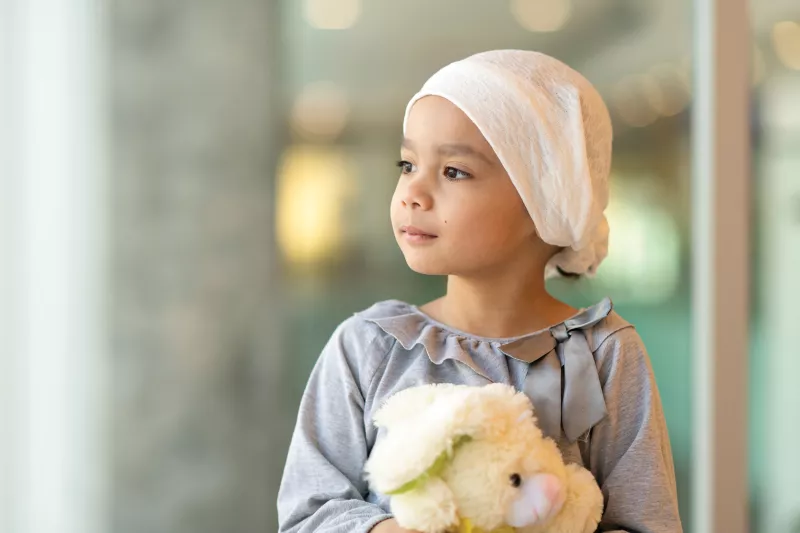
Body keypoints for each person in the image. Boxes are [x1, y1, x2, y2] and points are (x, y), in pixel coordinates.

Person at [277, 50, 682, 533]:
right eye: (407, 164)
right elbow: (308, 511)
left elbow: (647, 521)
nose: (412, 192)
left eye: (453, 172)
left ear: (545, 198)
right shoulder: (368, 347)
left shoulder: (605, 355)